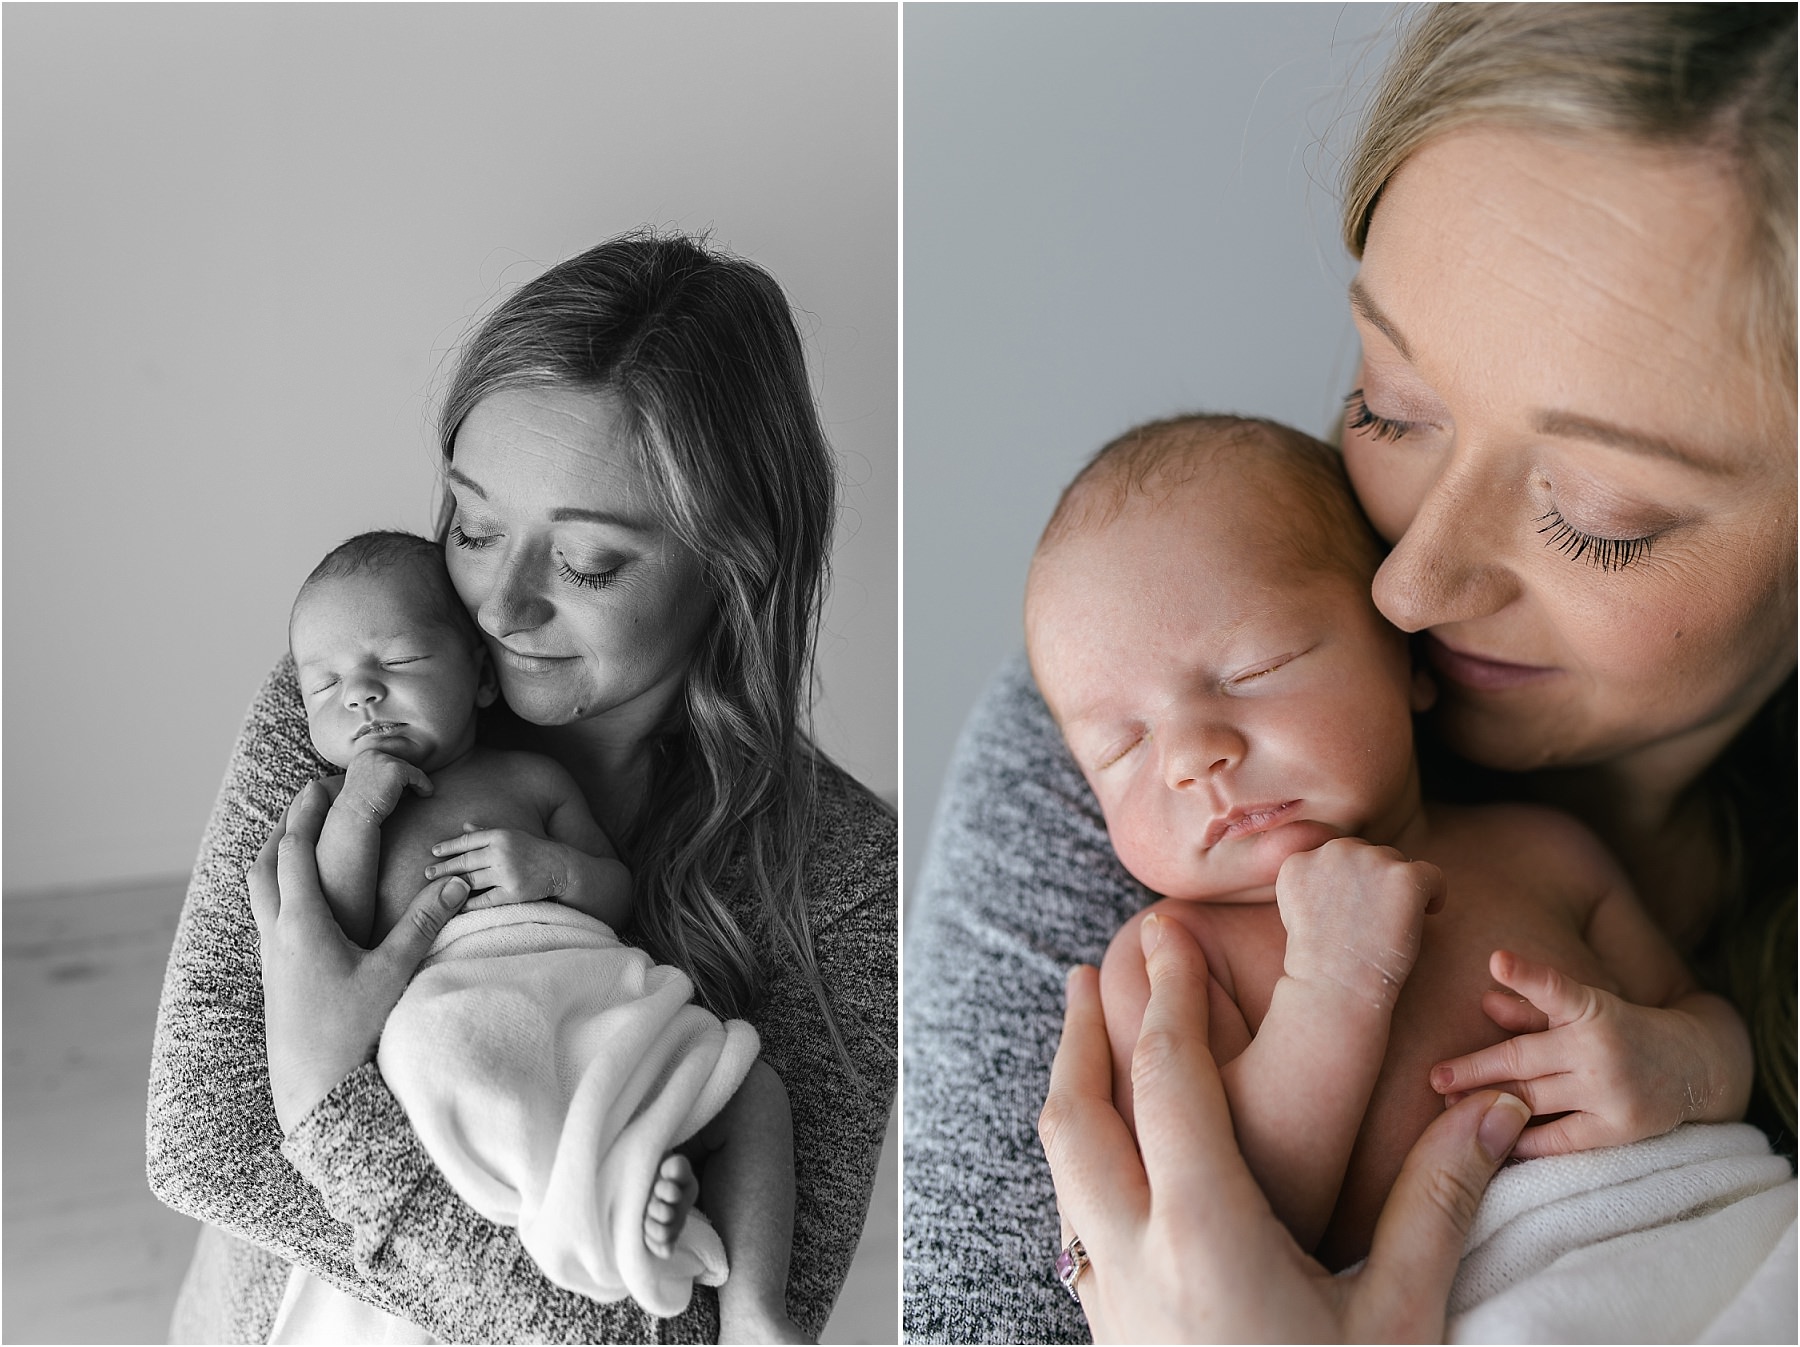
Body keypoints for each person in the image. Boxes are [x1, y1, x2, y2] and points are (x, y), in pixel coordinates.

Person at [903, 5, 1794, 1341]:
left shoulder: (1544, 856)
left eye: (1600, 511)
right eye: (1388, 399)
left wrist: (1676, 1065)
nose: (1407, 588)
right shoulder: (1130, 737)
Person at [148, 231, 896, 1344]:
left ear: (734, 569)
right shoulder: (364, 683)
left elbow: (719, 1331)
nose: (499, 606)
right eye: (475, 526)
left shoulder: (844, 874)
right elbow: (204, 1141)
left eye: (588, 563)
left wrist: (321, 1095)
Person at [1025, 413, 1749, 1268]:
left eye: (1254, 671)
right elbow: (1224, 1236)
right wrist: (1333, 982)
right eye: (1122, 745)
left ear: (1408, 656)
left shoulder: (1546, 854)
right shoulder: (1174, 962)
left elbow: (1711, 1027)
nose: (1190, 757)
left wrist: (1676, 1068)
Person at [268, 529, 803, 1342]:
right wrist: (359, 809)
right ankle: (613, 1202)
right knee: (436, 1052)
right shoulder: (333, 812)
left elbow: (613, 888)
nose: (362, 695)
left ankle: (755, 1309)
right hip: (456, 1009)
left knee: (747, 1080)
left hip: (580, 985)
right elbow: (334, 936)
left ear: (480, 676)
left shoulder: (531, 780)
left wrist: (554, 869)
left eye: (399, 663)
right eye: (326, 686)